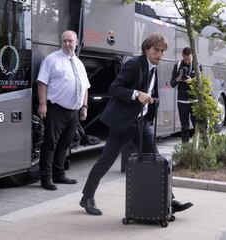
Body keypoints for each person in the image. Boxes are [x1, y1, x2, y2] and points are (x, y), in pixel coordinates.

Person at [80, 33, 193, 216]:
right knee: (106, 161)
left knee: (157, 162)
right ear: (146, 49)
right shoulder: (134, 64)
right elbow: (114, 89)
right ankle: (87, 197)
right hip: (123, 123)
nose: (159, 54)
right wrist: (136, 94)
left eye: (162, 51)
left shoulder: (154, 68)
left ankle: (169, 201)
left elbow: (150, 92)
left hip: (142, 123)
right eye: (156, 50)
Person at [37, 30, 90, 190]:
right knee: (50, 144)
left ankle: (59, 174)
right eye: (64, 41)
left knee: (64, 144)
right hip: (56, 109)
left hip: (73, 111)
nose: (67, 43)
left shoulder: (79, 63)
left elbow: (85, 87)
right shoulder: (52, 60)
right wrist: (42, 104)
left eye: (70, 41)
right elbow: (42, 82)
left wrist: (84, 107)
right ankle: (46, 178)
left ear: (76, 42)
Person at [170, 47, 199, 143]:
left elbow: (201, 84)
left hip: (194, 101)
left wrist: (192, 81)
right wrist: (178, 79)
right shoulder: (177, 66)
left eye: (189, 59)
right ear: (182, 56)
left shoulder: (198, 66)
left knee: (196, 125)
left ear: (192, 57)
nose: (187, 61)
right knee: (184, 127)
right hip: (182, 102)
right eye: (185, 59)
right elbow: (172, 84)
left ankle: (197, 148)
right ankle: (185, 149)